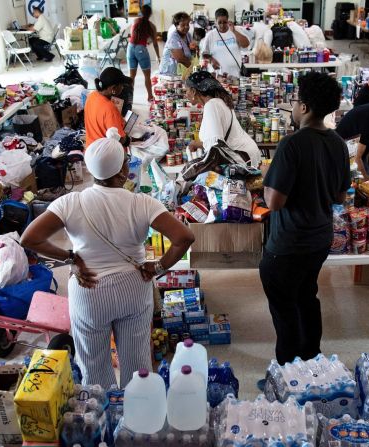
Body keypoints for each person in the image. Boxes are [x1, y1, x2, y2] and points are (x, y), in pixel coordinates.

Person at [20, 129, 194, 388]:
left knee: (93, 368)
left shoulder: (70, 203)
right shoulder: (141, 203)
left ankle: (102, 417)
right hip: (133, 287)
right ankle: (137, 418)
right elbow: (184, 237)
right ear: (122, 172)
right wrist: (157, 267)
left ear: (91, 170)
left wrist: (71, 257)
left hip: (88, 288)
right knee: (138, 367)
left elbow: (29, 239)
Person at [259, 72, 350, 372]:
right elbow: (339, 196)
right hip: (319, 239)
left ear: (305, 107)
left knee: (284, 309)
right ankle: (313, 366)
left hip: (288, 243)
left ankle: (289, 375)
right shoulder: (337, 143)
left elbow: (274, 202)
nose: (295, 107)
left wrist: (265, 179)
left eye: (297, 101)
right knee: (307, 298)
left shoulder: (292, 144)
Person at [185, 71, 261, 167]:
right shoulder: (218, 102)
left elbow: (215, 146)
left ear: (194, 91)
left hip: (242, 158)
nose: (186, 94)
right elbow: (218, 139)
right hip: (246, 154)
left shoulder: (211, 105)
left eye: (186, 91)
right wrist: (197, 144)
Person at [84, 67, 132, 147]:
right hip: (104, 152)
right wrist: (128, 140)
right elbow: (119, 139)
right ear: (113, 88)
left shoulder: (92, 96)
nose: (123, 87)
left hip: (90, 147)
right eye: (121, 85)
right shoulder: (110, 108)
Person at [201, 8, 250, 78]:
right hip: (217, 76)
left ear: (228, 20)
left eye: (224, 22)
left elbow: (246, 44)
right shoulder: (210, 35)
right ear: (215, 22)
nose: (222, 25)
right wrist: (211, 59)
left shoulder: (236, 30)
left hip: (235, 75)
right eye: (219, 22)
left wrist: (234, 31)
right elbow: (204, 54)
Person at [128, 4, 160, 103]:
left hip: (130, 48)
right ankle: (150, 96)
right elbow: (155, 43)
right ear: (150, 14)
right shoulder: (151, 26)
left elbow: (132, 35)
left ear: (141, 12)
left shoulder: (135, 21)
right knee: (147, 76)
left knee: (131, 77)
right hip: (141, 49)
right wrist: (158, 57)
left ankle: (129, 99)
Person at [159, 12, 193, 76]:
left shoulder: (188, 35)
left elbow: (192, 50)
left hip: (181, 72)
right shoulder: (173, 37)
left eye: (187, 24)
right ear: (176, 26)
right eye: (183, 25)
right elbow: (180, 58)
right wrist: (194, 69)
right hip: (170, 73)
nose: (186, 27)